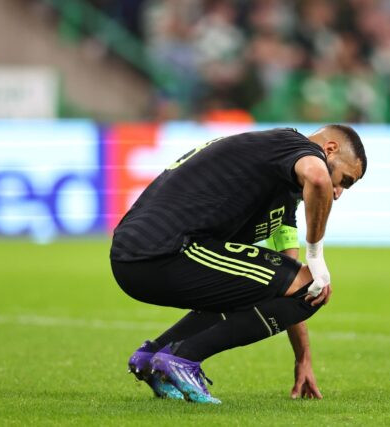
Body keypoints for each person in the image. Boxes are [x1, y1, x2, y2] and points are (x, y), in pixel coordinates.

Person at [110, 125, 367, 404]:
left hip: (137, 255)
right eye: (345, 180)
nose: (338, 192)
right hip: (164, 250)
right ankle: (182, 359)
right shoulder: (292, 146)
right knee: (311, 283)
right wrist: (316, 255)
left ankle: (153, 357)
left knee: (293, 287)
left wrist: (302, 358)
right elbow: (318, 179)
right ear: (329, 149)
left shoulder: (282, 188)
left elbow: (289, 286)